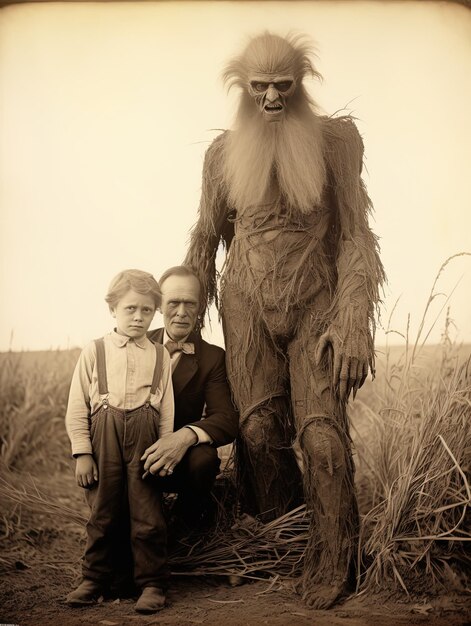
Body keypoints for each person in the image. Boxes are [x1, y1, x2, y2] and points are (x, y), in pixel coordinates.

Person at [184, 32, 385, 609]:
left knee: (321, 432)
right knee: (257, 431)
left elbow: (354, 233)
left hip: (317, 303)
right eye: (259, 87)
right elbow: (207, 236)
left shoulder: (336, 141)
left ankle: (335, 560)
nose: (271, 98)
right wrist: (184, 324)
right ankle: (281, 544)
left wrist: (353, 320)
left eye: (282, 85)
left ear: (301, 82)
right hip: (246, 302)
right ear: (242, 88)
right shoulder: (221, 155)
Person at [64, 269, 174, 614]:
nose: (139, 317)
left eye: (146, 310)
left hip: (145, 440)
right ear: (113, 309)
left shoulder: (160, 355)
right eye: (130, 309)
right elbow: (76, 407)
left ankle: (152, 583)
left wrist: (165, 449)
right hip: (104, 439)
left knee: (147, 514)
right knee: (103, 512)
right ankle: (94, 579)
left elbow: (166, 410)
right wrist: (83, 452)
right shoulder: (94, 351)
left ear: (155, 311)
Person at [142, 265, 239, 530]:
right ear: (159, 305)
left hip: (181, 461)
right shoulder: (135, 343)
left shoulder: (212, 357)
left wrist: (184, 437)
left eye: (190, 304)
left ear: (200, 308)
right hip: (135, 451)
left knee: (204, 459)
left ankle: (186, 528)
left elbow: (226, 418)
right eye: (173, 303)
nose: (182, 313)